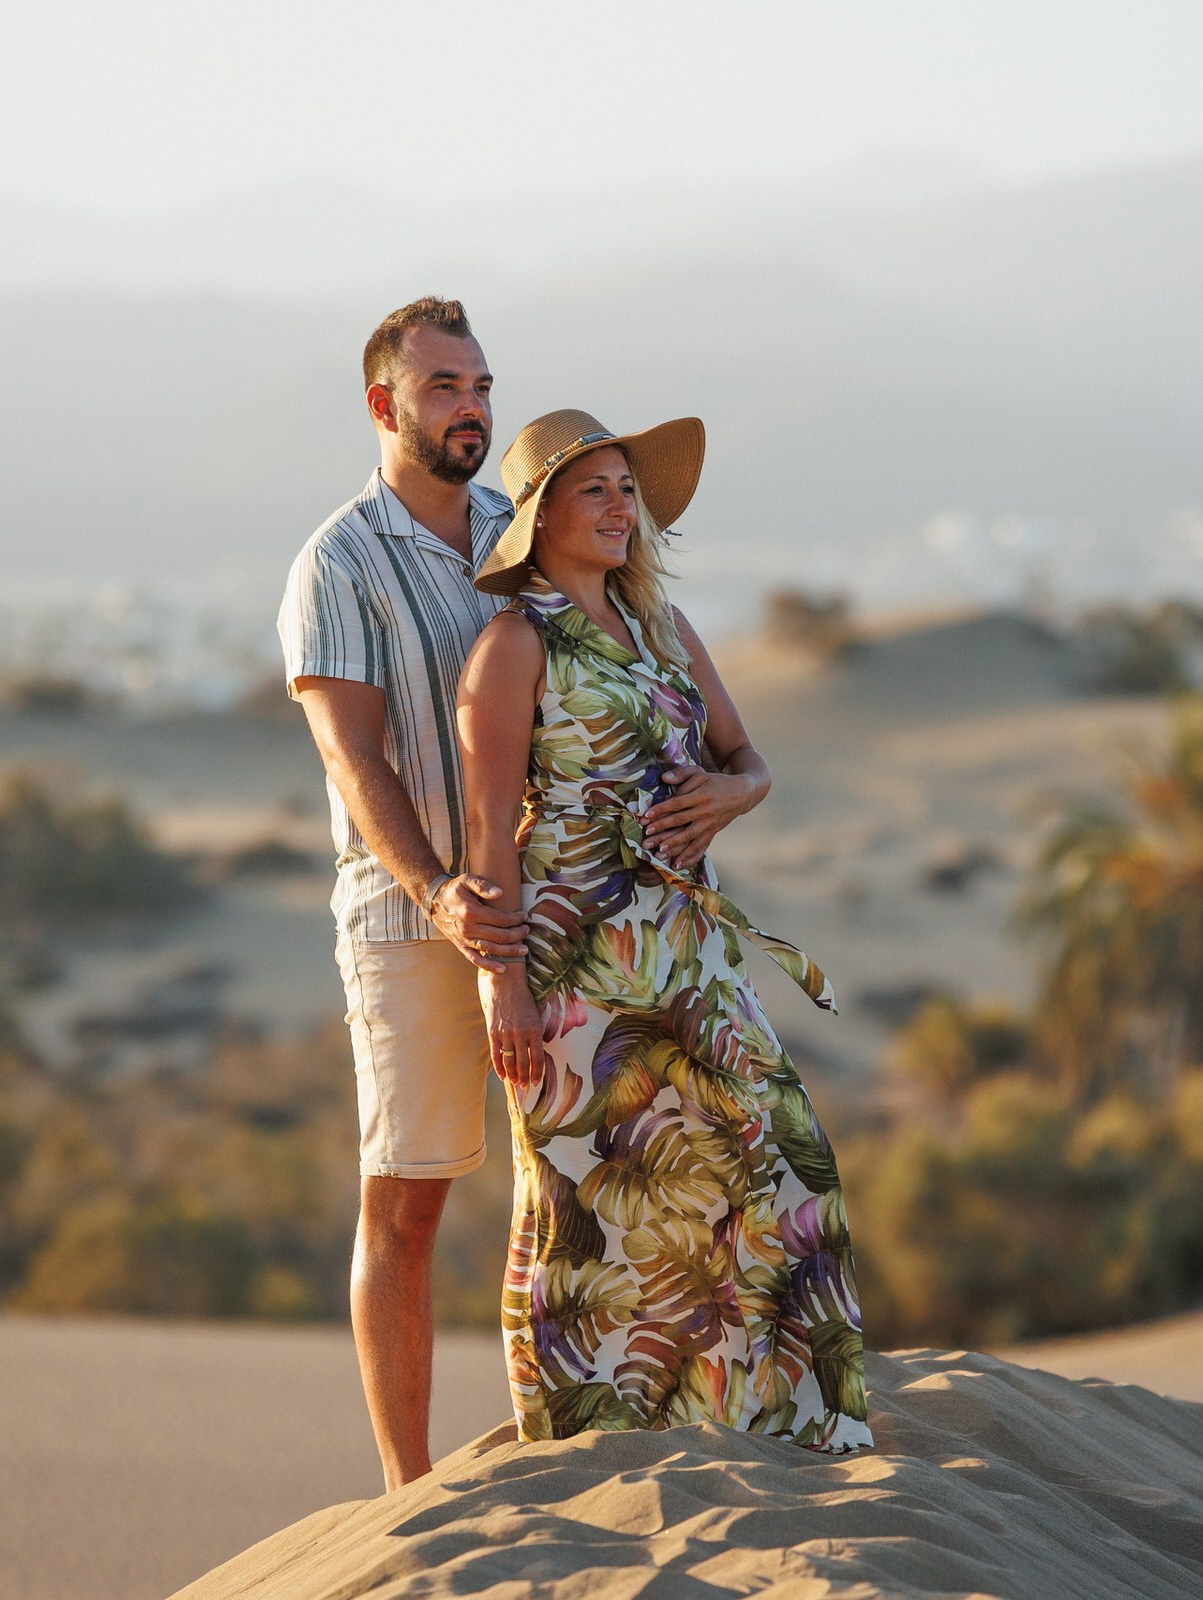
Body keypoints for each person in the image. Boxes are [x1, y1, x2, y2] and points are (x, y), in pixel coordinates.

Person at [456, 409, 872, 1453]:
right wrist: (501, 989)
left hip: (691, 952)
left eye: (625, 489)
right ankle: (586, 1446)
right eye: (591, 488)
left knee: (785, 1162)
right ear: (540, 516)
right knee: (590, 1205)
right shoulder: (512, 649)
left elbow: (750, 762)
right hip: (571, 968)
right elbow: (485, 841)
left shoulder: (666, 630)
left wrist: (723, 802)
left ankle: (778, 1423)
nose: (617, 507)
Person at [276, 297, 529, 1489]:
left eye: (478, 383)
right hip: (406, 919)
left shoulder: (519, 527)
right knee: (406, 1207)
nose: (470, 405)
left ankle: (587, 1428)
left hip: (542, 915)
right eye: (442, 387)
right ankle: (406, 1496)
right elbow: (352, 756)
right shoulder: (336, 561)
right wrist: (436, 895)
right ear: (384, 405)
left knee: (580, 1173)